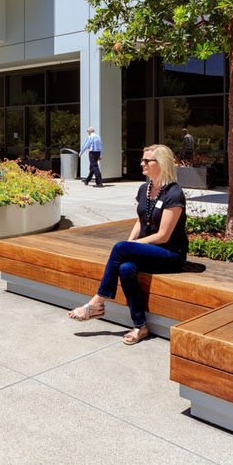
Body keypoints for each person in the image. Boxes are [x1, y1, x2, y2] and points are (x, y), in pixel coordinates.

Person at [68, 145, 187, 344]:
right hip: (148, 249)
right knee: (125, 268)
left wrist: (129, 246)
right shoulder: (144, 188)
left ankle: (97, 303)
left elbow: (164, 236)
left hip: (170, 254)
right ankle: (140, 326)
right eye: (143, 160)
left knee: (121, 247)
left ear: (161, 164)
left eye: (147, 160)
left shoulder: (174, 193)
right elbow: (140, 220)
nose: (142, 163)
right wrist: (131, 245)